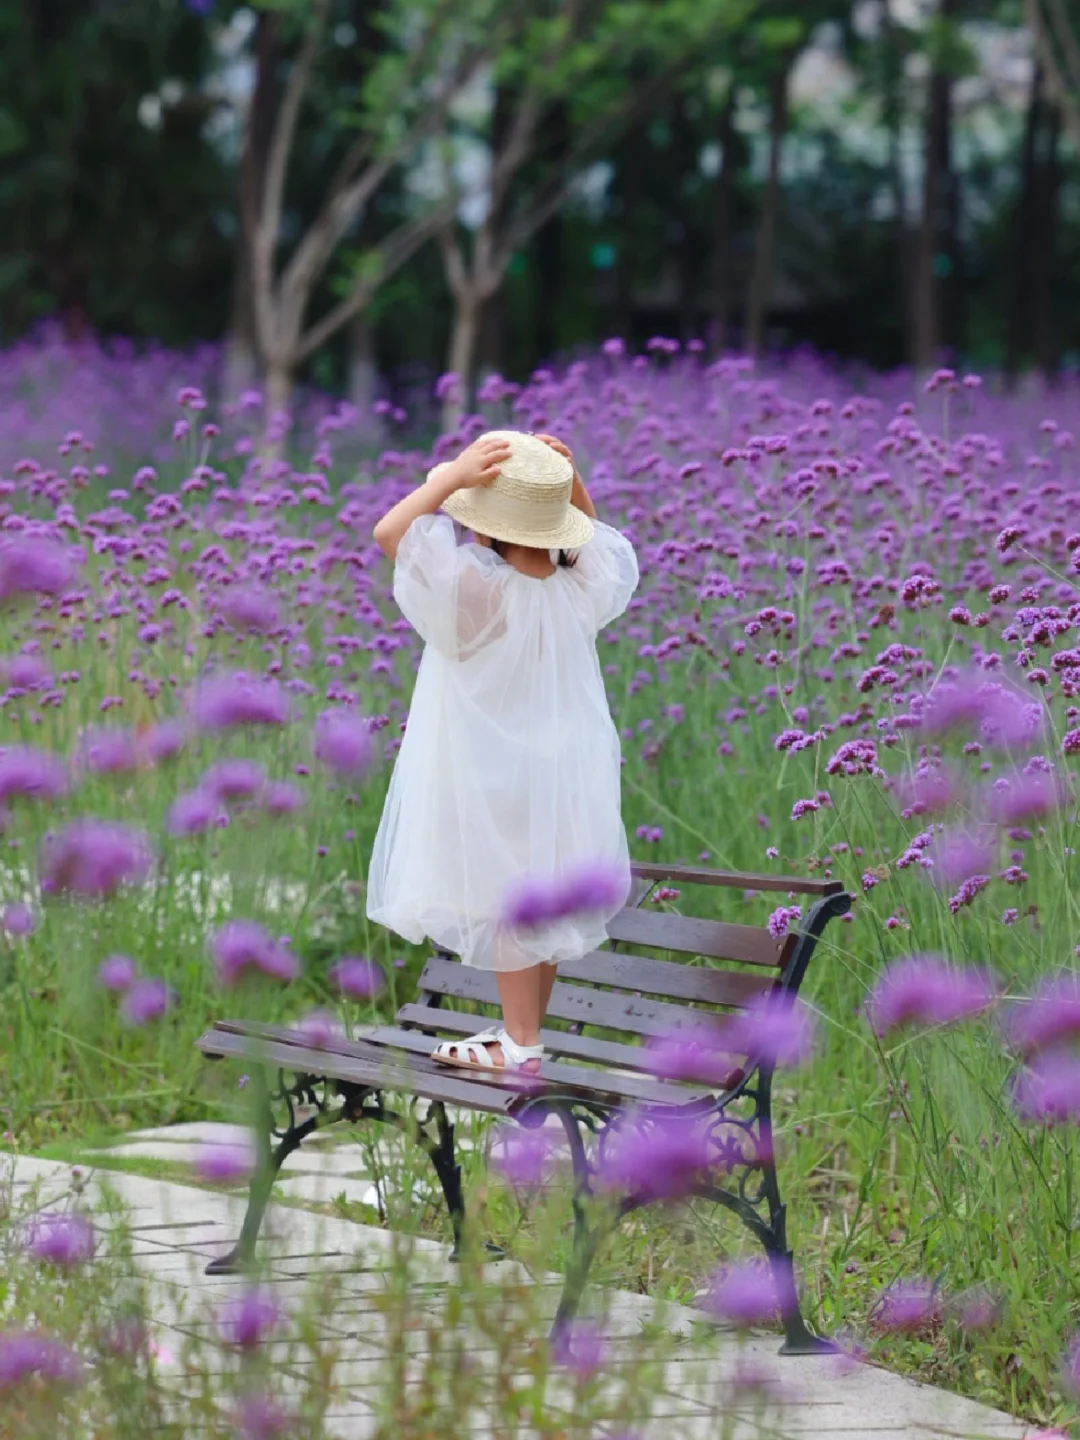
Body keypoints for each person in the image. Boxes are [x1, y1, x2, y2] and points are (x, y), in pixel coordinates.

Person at [367, 429, 639, 1074]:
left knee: (512, 897)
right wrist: (565, 479)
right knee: (537, 899)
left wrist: (450, 479)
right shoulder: (578, 590)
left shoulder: (475, 592)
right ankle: (523, 1032)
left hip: (493, 770)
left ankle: (520, 1045)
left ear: (486, 531)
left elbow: (390, 536)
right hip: (564, 773)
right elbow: (594, 539)